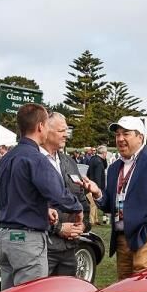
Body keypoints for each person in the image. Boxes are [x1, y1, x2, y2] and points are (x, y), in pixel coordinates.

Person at [0, 103, 84, 288]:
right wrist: (77, 207)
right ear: (41, 126)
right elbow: (58, 193)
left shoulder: (6, 159)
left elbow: (6, 196)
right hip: (27, 241)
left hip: (5, 238)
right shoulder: (36, 159)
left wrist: (44, 209)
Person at [91, 116, 147, 279]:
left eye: (126, 134)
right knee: (125, 288)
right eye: (117, 134)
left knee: (146, 288)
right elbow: (109, 204)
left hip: (146, 237)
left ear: (140, 137)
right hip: (121, 238)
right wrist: (97, 193)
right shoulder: (113, 168)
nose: (120, 139)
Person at [43, 113, 89, 276]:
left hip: (70, 249)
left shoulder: (69, 162)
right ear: (46, 130)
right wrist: (58, 228)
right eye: (61, 130)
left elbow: (81, 199)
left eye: (66, 130)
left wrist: (83, 225)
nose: (66, 134)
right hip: (43, 250)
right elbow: (26, 205)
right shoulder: (33, 160)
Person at [87, 145, 109, 225]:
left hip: (90, 183)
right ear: (104, 153)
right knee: (93, 205)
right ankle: (92, 220)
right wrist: (98, 188)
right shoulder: (99, 163)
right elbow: (98, 176)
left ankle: (95, 219)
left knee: (93, 205)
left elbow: (88, 172)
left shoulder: (93, 159)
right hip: (95, 185)